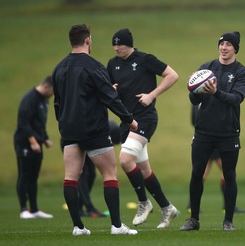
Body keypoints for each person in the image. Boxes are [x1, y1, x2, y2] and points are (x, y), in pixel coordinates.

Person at [52, 24, 138, 236]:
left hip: (69, 131)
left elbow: (57, 103)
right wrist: (129, 120)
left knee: (71, 177)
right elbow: (110, 98)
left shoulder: (59, 68)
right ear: (88, 40)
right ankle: (117, 226)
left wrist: (64, 124)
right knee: (109, 174)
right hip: (94, 130)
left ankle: (78, 227)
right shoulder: (94, 66)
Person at [107, 28, 179, 229]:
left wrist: (152, 94)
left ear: (129, 43)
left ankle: (144, 202)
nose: (116, 48)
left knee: (125, 159)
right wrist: (109, 90)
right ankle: (167, 208)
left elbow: (172, 75)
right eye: (114, 44)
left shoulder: (146, 59)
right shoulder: (112, 64)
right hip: (126, 121)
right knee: (144, 170)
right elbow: (105, 88)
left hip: (146, 118)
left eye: (119, 44)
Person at [180, 31, 245, 231]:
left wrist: (216, 92)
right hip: (204, 132)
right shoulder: (206, 68)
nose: (224, 47)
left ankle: (228, 221)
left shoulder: (242, 72)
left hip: (229, 132)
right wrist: (193, 90)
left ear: (235, 48)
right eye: (221, 43)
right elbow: (195, 100)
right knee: (196, 174)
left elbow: (236, 98)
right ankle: (193, 219)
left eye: (229, 44)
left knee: (229, 175)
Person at [186, 104, 245, 214]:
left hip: (206, 136)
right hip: (214, 138)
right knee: (226, 172)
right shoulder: (203, 99)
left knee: (203, 173)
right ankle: (227, 206)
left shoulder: (198, 99)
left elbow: (193, 120)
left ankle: (192, 205)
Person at [14, 76, 54, 219]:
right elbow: (23, 123)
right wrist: (32, 141)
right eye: (53, 91)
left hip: (37, 142)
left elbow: (39, 123)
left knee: (33, 176)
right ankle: (23, 209)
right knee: (24, 175)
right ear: (47, 87)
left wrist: (46, 139)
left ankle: (35, 209)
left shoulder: (44, 100)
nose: (52, 95)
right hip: (24, 142)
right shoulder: (29, 99)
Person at [77, 120, 121, 218]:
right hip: (77, 141)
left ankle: (79, 208)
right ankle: (89, 208)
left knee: (91, 174)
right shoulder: (104, 130)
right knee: (83, 174)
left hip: (90, 143)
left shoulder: (109, 130)